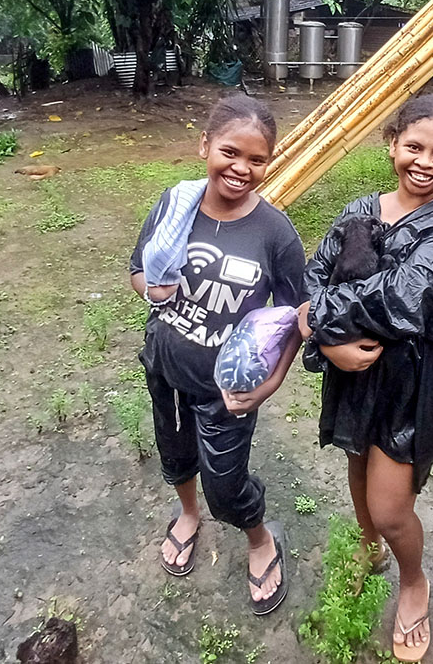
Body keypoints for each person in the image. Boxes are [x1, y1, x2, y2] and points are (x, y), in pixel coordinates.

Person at [299, 94, 433, 662]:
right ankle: (369, 547)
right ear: (392, 144)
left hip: (414, 382)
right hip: (356, 377)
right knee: (358, 465)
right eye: (414, 146)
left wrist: (317, 321)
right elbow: (312, 275)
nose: (424, 161)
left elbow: (406, 294)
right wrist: (330, 343)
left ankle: (412, 581)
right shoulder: (358, 210)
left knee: (391, 504)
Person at [128, 95, 305, 615]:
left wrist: (269, 384)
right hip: (164, 366)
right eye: (230, 152)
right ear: (204, 145)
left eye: (257, 160)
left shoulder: (276, 234)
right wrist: (150, 292)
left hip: (228, 392)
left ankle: (259, 540)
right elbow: (138, 268)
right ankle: (187, 514)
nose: (242, 169)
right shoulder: (174, 205)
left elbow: (295, 315)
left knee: (225, 485)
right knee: (175, 455)